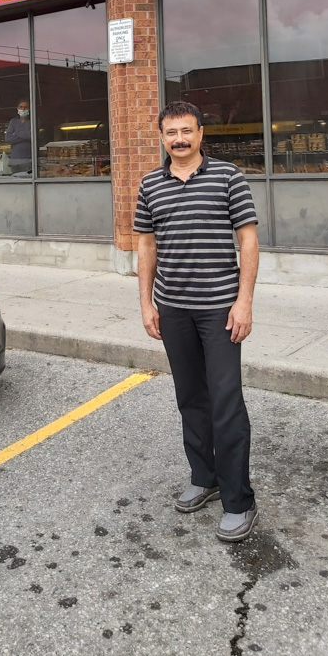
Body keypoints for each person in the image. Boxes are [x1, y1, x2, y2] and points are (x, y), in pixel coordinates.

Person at [133, 100, 260, 543]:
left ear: (201, 133)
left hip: (219, 309)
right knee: (191, 398)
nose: (180, 140)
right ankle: (203, 478)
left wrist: (243, 302)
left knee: (226, 401)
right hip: (173, 308)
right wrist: (147, 303)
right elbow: (145, 248)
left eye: (187, 131)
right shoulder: (151, 184)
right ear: (163, 137)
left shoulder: (229, 177)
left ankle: (238, 500)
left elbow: (248, 242)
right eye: (171, 133)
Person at [4, 100, 32, 173]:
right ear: (17, 108)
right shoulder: (13, 121)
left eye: (25, 107)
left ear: (30, 108)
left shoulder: (34, 121)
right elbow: (8, 137)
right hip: (14, 160)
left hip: (28, 160)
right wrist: (24, 135)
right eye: (21, 107)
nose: (23, 109)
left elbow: (31, 135)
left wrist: (16, 133)